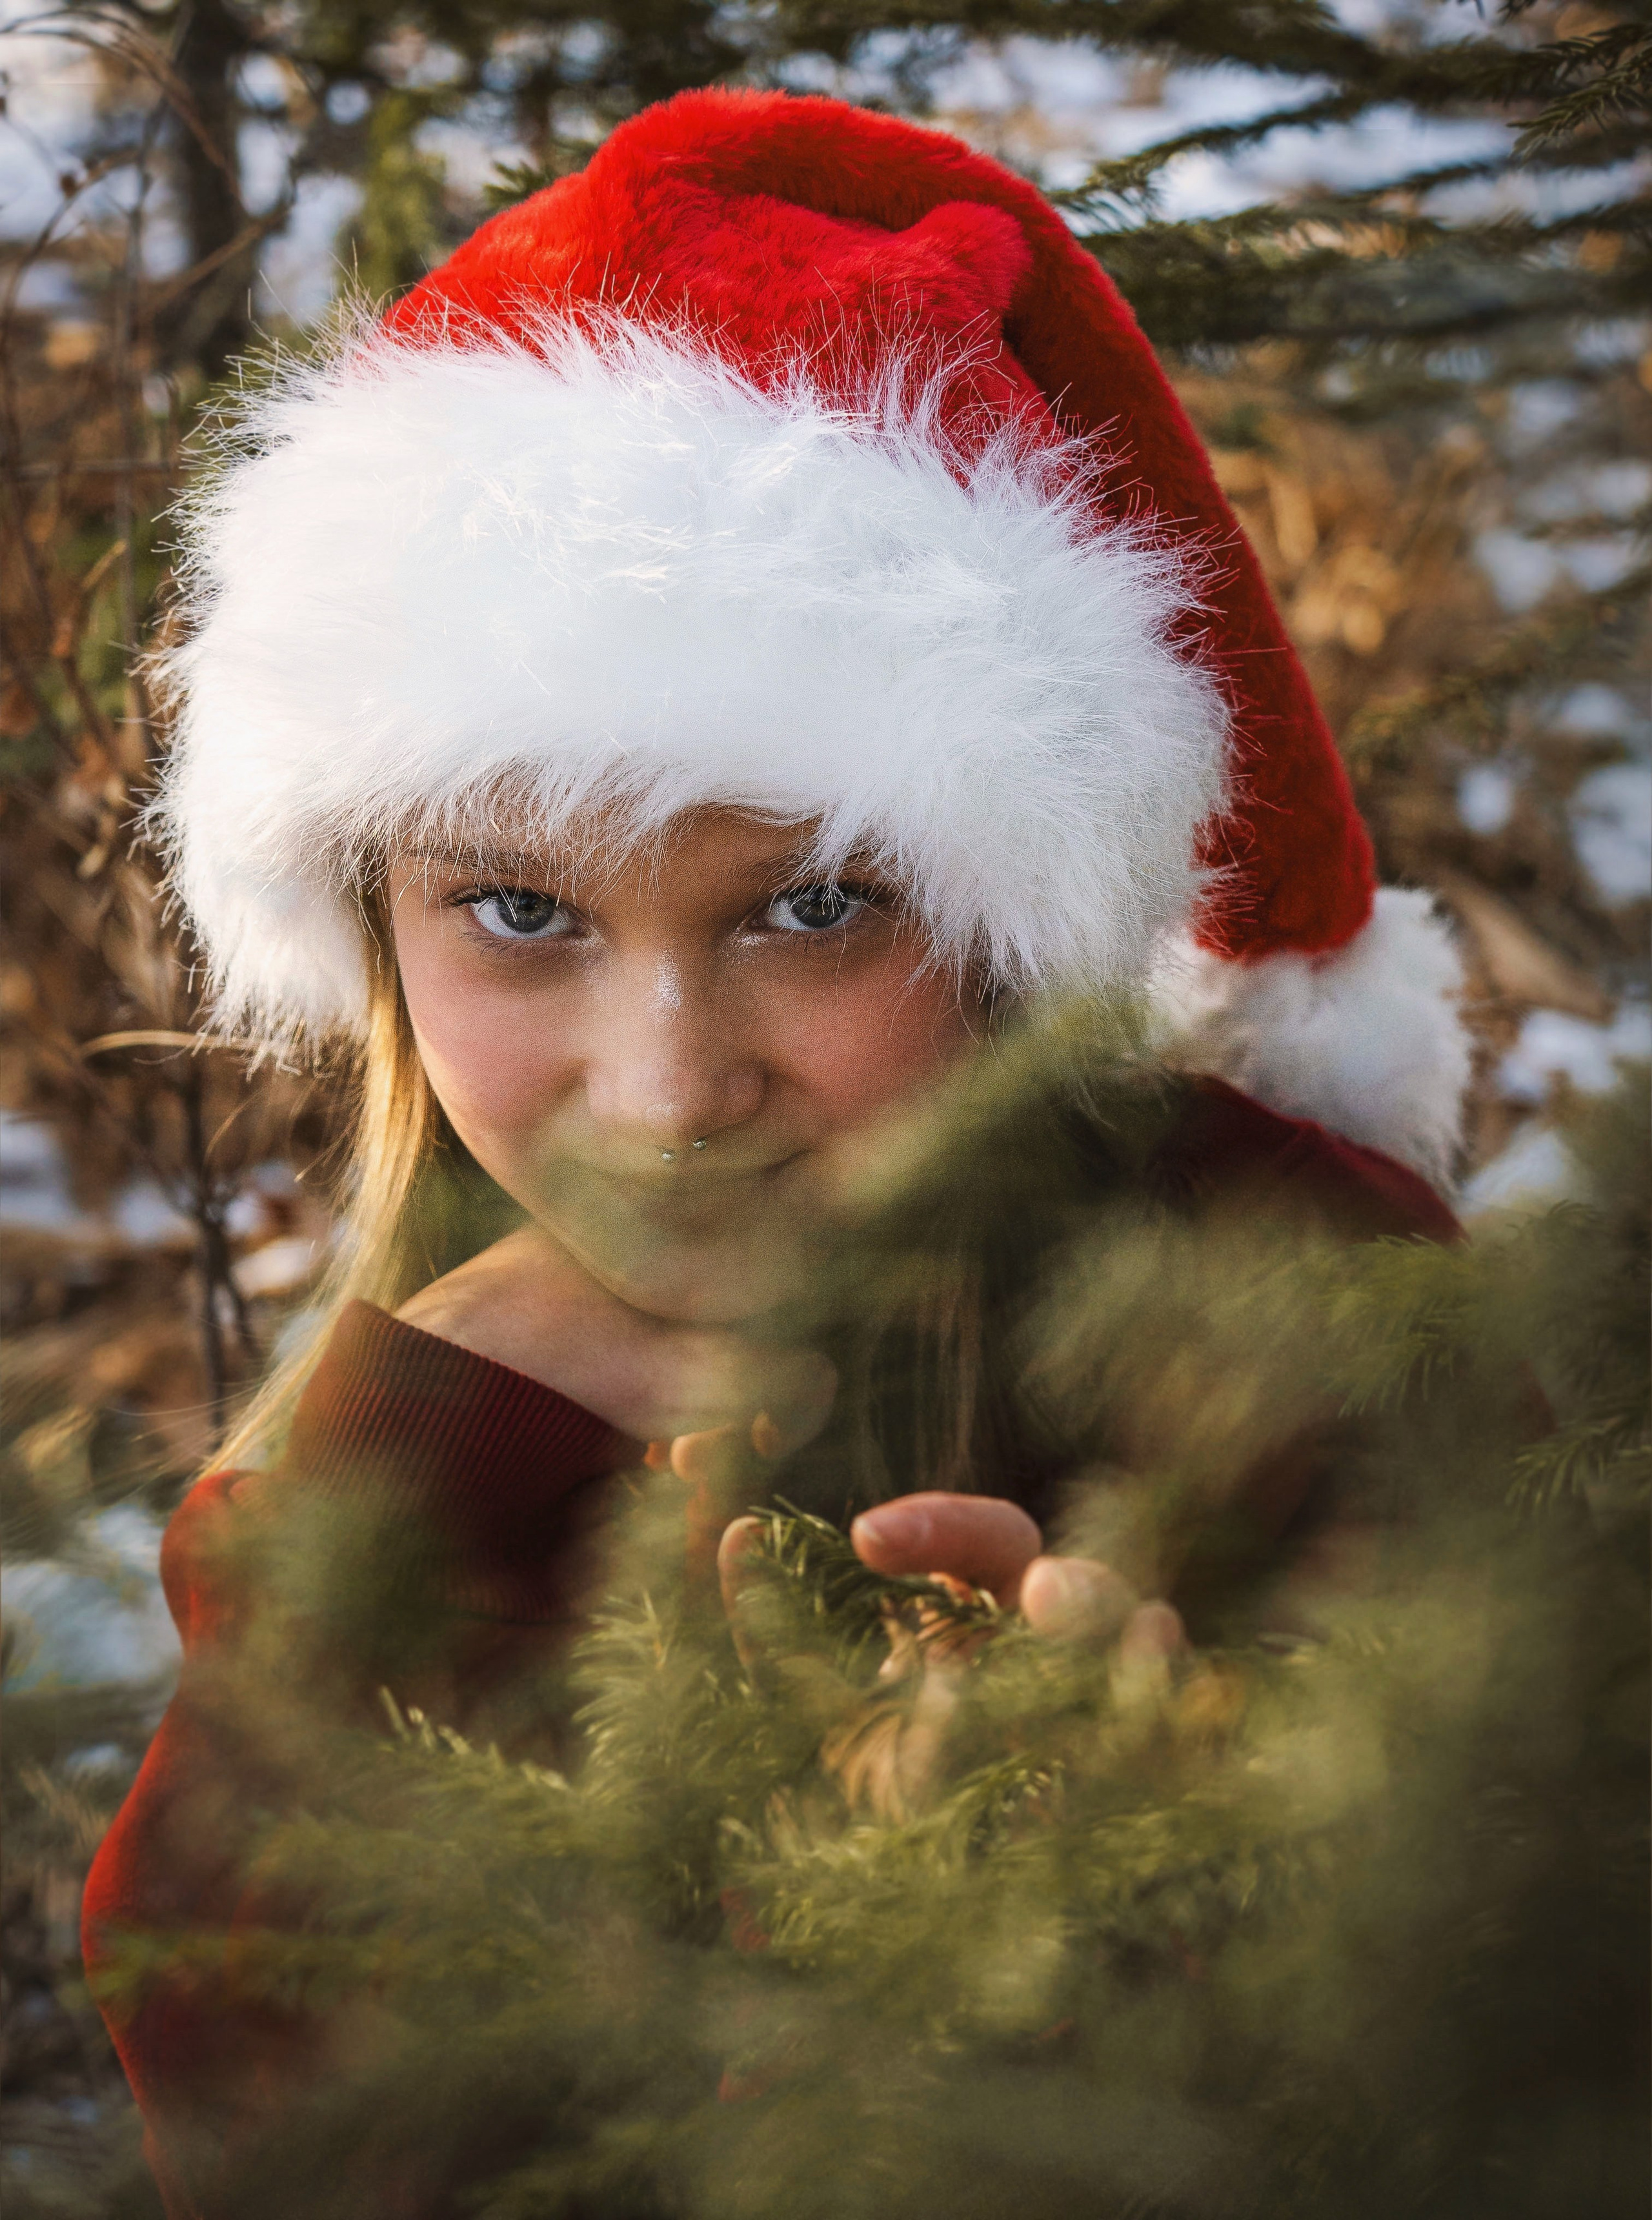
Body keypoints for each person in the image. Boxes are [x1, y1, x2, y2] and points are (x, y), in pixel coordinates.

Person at [83, 86, 1471, 2218]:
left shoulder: (1317, 1312)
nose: (662, 1096)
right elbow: (296, 2119)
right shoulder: (405, 1501)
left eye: (813, 906)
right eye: (522, 912)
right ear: (373, 909)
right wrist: (410, 1471)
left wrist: (1158, 1865)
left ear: (1014, 912)